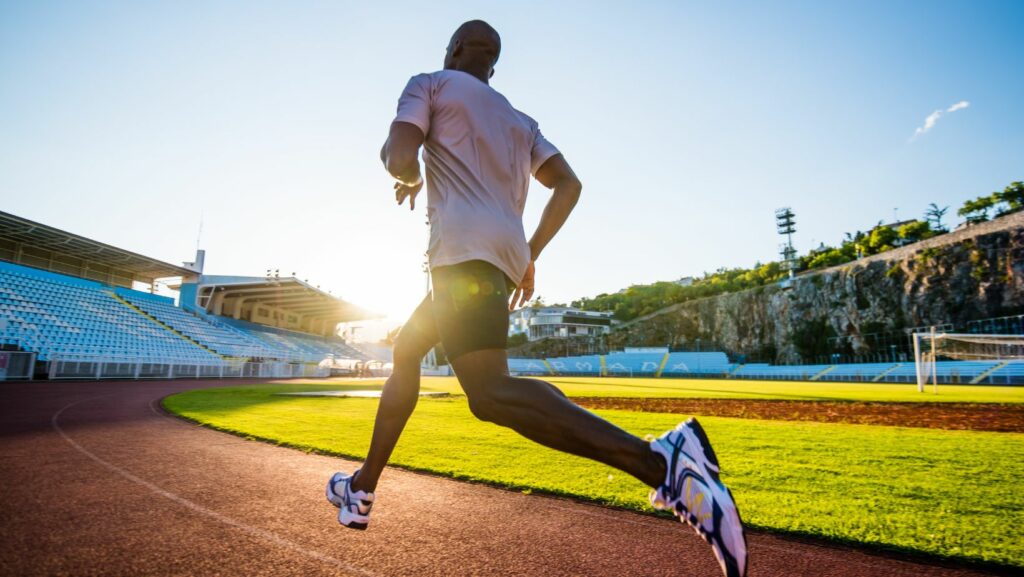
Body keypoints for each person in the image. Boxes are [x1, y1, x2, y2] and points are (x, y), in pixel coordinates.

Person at [325, 20, 747, 577]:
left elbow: (398, 154)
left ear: (452, 51)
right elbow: (569, 185)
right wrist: (531, 252)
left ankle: (663, 462)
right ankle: (361, 489)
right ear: (493, 65)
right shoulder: (521, 122)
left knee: (490, 394)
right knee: (407, 352)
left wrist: (405, 174)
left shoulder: (429, 84)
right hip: (496, 260)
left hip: (461, 256)